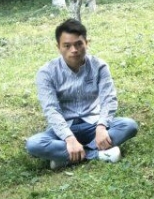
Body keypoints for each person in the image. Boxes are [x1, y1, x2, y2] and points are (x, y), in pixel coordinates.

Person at [26, 19, 139, 170]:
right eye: (67, 45)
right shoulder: (46, 73)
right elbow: (51, 110)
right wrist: (69, 138)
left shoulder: (99, 66)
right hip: (64, 128)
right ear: (58, 47)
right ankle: (97, 154)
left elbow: (108, 99)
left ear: (87, 43)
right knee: (34, 144)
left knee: (129, 125)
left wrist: (101, 127)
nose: (74, 50)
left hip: (93, 123)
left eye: (78, 44)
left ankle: (65, 157)